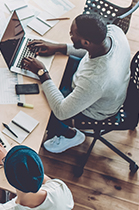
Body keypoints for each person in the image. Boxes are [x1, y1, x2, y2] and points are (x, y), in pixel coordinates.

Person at [22, 13, 131, 154]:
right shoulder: (113, 31)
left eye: (72, 34)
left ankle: (70, 135)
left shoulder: (96, 80)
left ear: (86, 42)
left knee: (42, 107)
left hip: (96, 109)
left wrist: (42, 72)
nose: (70, 34)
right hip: (94, 82)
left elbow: (62, 112)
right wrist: (58, 47)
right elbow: (89, 52)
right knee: (52, 77)